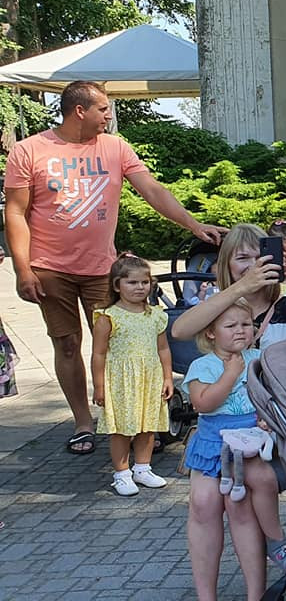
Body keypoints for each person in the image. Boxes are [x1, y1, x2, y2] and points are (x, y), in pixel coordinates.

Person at [3, 81, 226, 455]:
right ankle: (82, 423)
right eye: (103, 109)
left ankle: (131, 421)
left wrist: (193, 224)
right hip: (50, 269)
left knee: (123, 343)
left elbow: (152, 190)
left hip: (103, 270)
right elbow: (15, 212)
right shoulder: (29, 150)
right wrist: (23, 270)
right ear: (80, 111)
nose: (108, 115)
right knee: (67, 344)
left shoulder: (115, 147)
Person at [182, 299, 286, 600]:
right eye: (231, 325)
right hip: (213, 446)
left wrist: (268, 418)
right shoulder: (202, 365)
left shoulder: (259, 359)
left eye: (246, 324)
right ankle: (206, 596)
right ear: (210, 333)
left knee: (242, 503)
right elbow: (202, 403)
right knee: (203, 503)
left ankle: (256, 590)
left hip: (251, 444)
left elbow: (275, 396)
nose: (240, 330)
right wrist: (231, 374)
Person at [172, 223, 286, 357]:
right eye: (242, 258)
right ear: (227, 264)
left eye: (260, 257)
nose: (253, 265)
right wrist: (242, 287)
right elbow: (178, 332)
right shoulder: (219, 305)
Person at [90, 253, 172, 496]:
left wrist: (168, 377)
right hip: (121, 382)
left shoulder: (156, 314)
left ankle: (143, 468)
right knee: (122, 429)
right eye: (132, 282)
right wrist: (99, 386)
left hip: (150, 378)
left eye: (144, 282)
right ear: (117, 285)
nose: (139, 287)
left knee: (148, 425)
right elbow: (98, 354)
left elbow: (163, 349)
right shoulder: (108, 316)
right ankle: (122, 473)